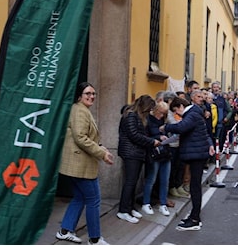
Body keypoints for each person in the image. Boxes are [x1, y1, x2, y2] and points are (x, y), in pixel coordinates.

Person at [56, 82, 114, 245]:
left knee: (80, 197)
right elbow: (80, 138)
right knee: (94, 200)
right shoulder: (80, 111)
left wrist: (100, 146)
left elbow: (86, 137)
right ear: (80, 96)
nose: (91, 96)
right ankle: (94, 239)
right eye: (88, 93)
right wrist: (102, 153)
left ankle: (65, 230)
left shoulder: (80, 109)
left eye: (93, 93)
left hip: (76, 164)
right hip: (80, 164)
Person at [161, 97, 215, 231]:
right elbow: (202, 133)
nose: (177, 114)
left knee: (195, 187)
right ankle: (194, 216)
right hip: (198, 153)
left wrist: (165, 127)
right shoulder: (196, 112)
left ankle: (195, 219)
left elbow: (181, 127)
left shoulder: (191, 114)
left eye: (176, 111)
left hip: (196, 154)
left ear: (180, 106)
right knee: (194, 186)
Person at [117, 95, 160, 224]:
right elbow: (134, 135)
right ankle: (123, 210)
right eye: (149, 109)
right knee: (130, 182)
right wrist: (151, 142)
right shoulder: (131, 116)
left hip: (135, 152)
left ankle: (130, 208)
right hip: (131, 153)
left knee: (133, 182)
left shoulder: (135, 116)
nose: (149, 112)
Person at [142, 101, 172, 216]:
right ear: (155, 110)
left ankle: (163, 204)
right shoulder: (148, 119)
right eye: (160, 113)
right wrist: (159, 136)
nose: (161, 115)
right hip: (154, 152)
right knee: (151, 179)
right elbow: (146, 135)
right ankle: (146, 202)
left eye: (164, 114)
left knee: (165, 180)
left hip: (165, 152)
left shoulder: (163, 120)